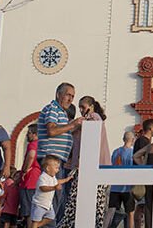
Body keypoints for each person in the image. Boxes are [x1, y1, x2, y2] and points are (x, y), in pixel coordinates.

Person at [57, 95, 110, 228]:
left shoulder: (94, 118)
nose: (81, 110)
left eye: (83, 107)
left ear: (91, 107)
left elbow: (89, 136)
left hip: (93, 166)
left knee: (87, 202)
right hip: (81, 167)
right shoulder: (84, 120)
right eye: (79, 107)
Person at [38, 83, 82, 225]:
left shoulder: (61, 112)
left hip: (58, 159)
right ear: (58, 94)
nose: (70, 99)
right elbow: (52, 131)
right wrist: (72, 124)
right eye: (68, 95)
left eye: (73, 96)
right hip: (51, 158)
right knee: (51, 197)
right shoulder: (53, 109)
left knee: (56, 197)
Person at [31, 155, 74, 228]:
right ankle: (36, 225)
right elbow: (43, 188)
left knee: (51, 217)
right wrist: (54, 187)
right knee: (36, 220)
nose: (58, 170)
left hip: (48, 205)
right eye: (56, 168)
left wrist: (66, 180)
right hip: (39, 204)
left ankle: (38, 225)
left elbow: (57, 181)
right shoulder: (43, 177)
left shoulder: (52, 177)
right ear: (48, 168)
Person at [106, 131, 136, 228]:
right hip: (127, 187)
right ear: (132, 140)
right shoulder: (132, 153)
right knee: (130, 213)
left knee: (111, 212)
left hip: (115, 187)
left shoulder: (116, 152)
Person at [133, 119, 153, 228]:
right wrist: (145, 168)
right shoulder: (144, 141)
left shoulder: (142, 141)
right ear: (151, 128)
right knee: (143, 206)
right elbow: (139, 156)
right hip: (144, 178)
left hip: (144, 176)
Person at [20, 126, 42, 221]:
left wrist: (25, 170)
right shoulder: (41, 145)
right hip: (37, 178)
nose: (27, 135)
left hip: (29, 180)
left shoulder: (33, 144)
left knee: (28, 211)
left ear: (35, 134)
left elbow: (31, 155)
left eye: (29, 133)